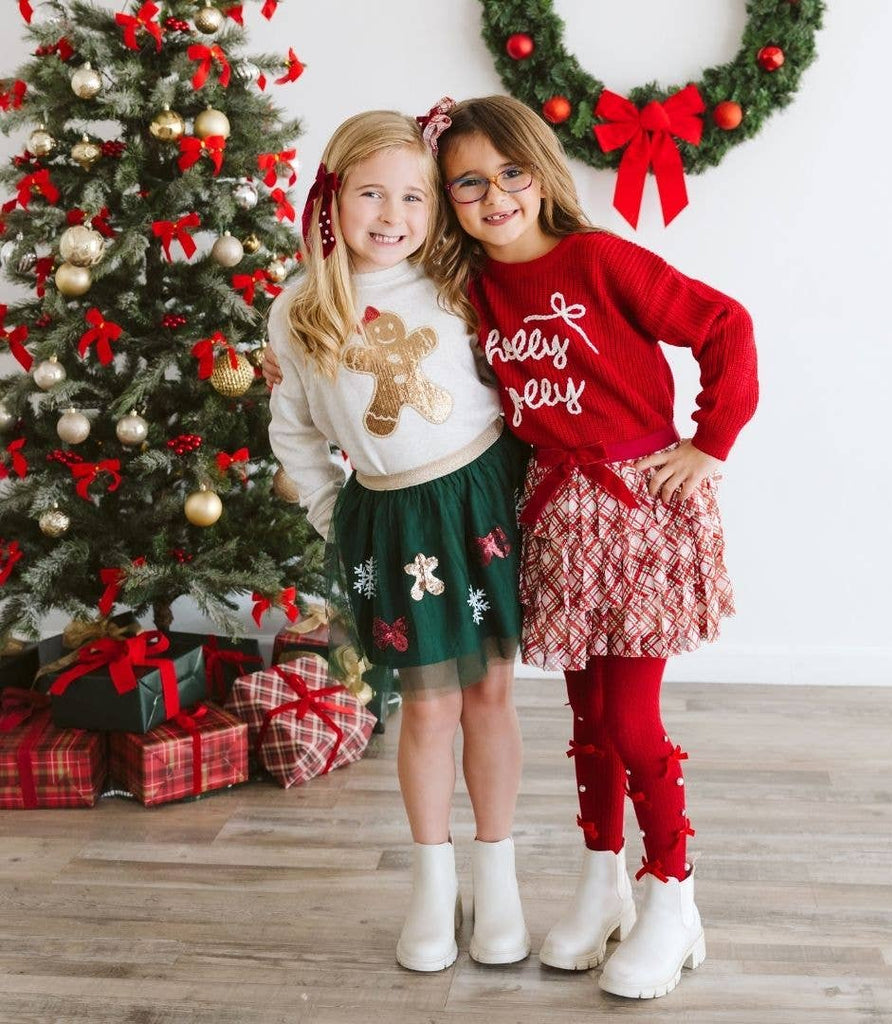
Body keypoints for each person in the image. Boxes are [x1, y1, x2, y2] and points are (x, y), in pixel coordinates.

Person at [432, 95, 759, 1000]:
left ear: (540, 170)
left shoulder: (600, 259)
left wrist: (709, 441)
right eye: (468, 182)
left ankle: (673, 896)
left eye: (510, 172)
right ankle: (601, 880)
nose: (494, 195)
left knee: (632, 722)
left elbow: (724, 324)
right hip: (557, 516)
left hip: (637, 510)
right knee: (586, 724)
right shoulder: (475, 293)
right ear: (447, 197)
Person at [265, 108, 532, 974]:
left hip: (481, 498)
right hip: (394, 521)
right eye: (373, 194)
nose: (393, 215)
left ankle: (499, 880)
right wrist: (327, 512)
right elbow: (296, 432)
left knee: (490, 693)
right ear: (334, 198)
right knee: (428, 705)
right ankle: (431, 882)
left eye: (413, 196)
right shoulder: (303, 309)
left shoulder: (455, 279)